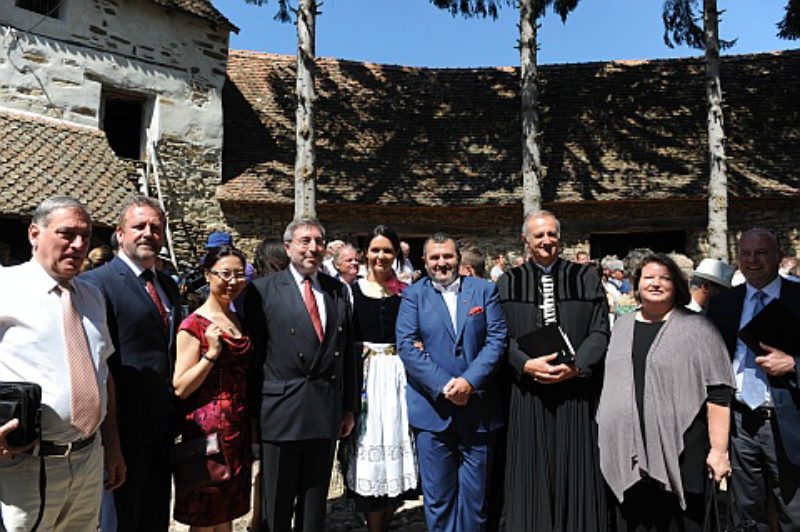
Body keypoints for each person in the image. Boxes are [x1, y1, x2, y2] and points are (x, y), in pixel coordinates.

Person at [0, 196, 125, 531]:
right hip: (24, 464)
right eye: (67, 234)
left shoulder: (92, 296)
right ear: (34, 233)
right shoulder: (6, 287)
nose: (79, 244)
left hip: (87, 458)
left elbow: (103, 374)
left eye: (85, 235)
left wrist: (112, 445)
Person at [597, 253, 734, 531]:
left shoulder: (698, 328)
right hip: (628, 447)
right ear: (637, 285)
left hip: (683, 448)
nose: (656, 283)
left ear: (677, 286)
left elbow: (719, 392)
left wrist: (719, 451)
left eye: (665, 278)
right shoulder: (622, 326)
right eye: (648, 277)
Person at [496, 210, 610, 532]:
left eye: (551, 234)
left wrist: (577, 366)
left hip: (575, 390)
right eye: (539, 235)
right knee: (530, 469)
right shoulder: (508, 282)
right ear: (526, 241)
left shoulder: (586, 277)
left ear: (560, 238)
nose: (546, 241)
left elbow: (600, 330)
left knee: (576, 468)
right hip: (528, 392)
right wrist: (524, 364)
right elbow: (499, 336)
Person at [244, 219, 357, 532]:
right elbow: (254, 360)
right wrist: (253, 416)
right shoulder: (263, 290)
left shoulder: (337, 290)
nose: (313, 248)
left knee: (314, 505)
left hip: (325, 409)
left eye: (319, 241)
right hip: (281, 412)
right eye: (305, 241)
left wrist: (348, 406)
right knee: (277, 505)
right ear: (289, 246)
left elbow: (347, 352)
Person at [82, 195, 182, 532]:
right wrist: (111, 441)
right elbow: (98, 364)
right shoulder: (98, 284)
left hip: (162, 428)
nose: (148, 233)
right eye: (139, 226)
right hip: (122, 429)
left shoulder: (168, 285)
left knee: (154, 518)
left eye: (156, 227)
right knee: (119, 521)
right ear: (120, 233)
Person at [397, 232, 507, 531]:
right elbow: (406, 345)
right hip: (433, 411)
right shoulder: (412, 295)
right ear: (425, 261)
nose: (441, 263)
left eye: (447, 256)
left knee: (476, 499)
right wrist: (447, 386)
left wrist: (469, 382)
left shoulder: (484, 291)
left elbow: (496, 340)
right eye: (435, 257)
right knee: (438, 499)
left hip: (479, 408)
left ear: (458, 258)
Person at [707, 229, 800, 531]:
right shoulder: (724, 304)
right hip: (740, 424)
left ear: (778, 257)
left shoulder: (798, 298)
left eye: (760, 253)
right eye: (745, 253)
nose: (752, 260)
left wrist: (794, 364)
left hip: (788, 424)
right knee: (746, 517)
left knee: (794, 515)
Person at [340, 225, 417, 532]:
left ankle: (385, 519)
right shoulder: (351, 292)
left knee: (394, 445)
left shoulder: (406, 293)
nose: (381, 256)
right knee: (370, 443)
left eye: (387, 250)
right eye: (375, 250)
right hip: (366, 377)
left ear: (396, 254)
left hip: (397, 377)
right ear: (365, 254)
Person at [172, 246, 253, 530]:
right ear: (208, 275)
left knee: (228, 510)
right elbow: (180, 387)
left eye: (239, 275)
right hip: (207, 431)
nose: (232, 281)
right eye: (225, 274)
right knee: (205, 511)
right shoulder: (192, 324)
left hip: (237, 429)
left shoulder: (237, 319)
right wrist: (211, 354)